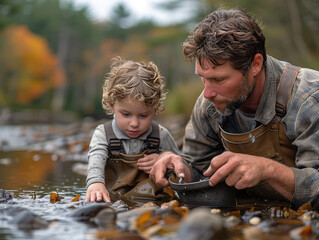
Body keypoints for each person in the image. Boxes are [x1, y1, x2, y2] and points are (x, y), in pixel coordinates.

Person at [150, 8, 319, 209]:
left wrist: (267, 170)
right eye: (202, 78)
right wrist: (178, 167)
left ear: (255, 65)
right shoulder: (209, 105)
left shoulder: (308, 99)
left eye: (218, 79)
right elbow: (197, 168)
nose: (207, 93)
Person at [86, 56, 180, 203]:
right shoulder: (103, 133)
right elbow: (96, 159)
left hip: (152, 200)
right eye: (126, 114)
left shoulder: (161, 135)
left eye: (143, 115)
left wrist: (163, 159)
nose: (135, 123)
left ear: (154, 109)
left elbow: (182, 170)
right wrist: (95, 183)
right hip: (111, 199)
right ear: (111, 105)